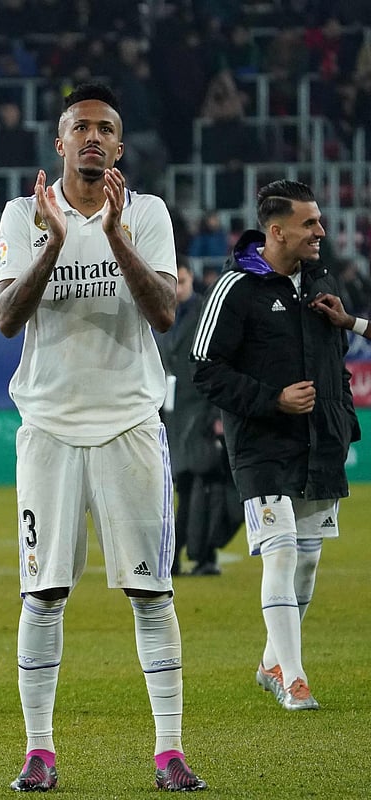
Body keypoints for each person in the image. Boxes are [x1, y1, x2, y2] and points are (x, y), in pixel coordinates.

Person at [0, 83, 206, 793]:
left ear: (119, 146)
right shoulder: (24, 215)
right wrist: (54, 244)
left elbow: (165, 314)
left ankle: (169, 752)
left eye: (105, 129)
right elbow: (5, 317)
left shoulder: (145, 213)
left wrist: (113, 234)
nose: (92, 137)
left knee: (151, 594)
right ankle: (39, 751)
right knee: (43, 593)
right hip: (49, 428)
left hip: (129, 425)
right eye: (80, 127)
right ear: (59, 144)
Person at [192, 179, 358, 713]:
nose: (321, 231)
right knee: (282, 555)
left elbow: (335, 357)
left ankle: (271, 661)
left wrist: (339, 421)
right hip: (262, 446)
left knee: (307, 561)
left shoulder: (322, 282)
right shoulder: (236, 288)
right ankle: (295, 678)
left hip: (319, 444)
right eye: (310, 223)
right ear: (277, 229)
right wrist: (272, 400)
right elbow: (205, 370)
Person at [158, 265, 241, 576]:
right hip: (175, 418)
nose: (176, 287)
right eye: (172, 282)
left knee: (205, 485)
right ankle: (184, 557)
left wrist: (217, 414)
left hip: (201, 414)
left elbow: (218, 364)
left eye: (181, 281)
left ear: (191, 277)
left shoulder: (205, 313)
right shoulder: (165, 318)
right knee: (187, 488)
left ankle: (201, 555)